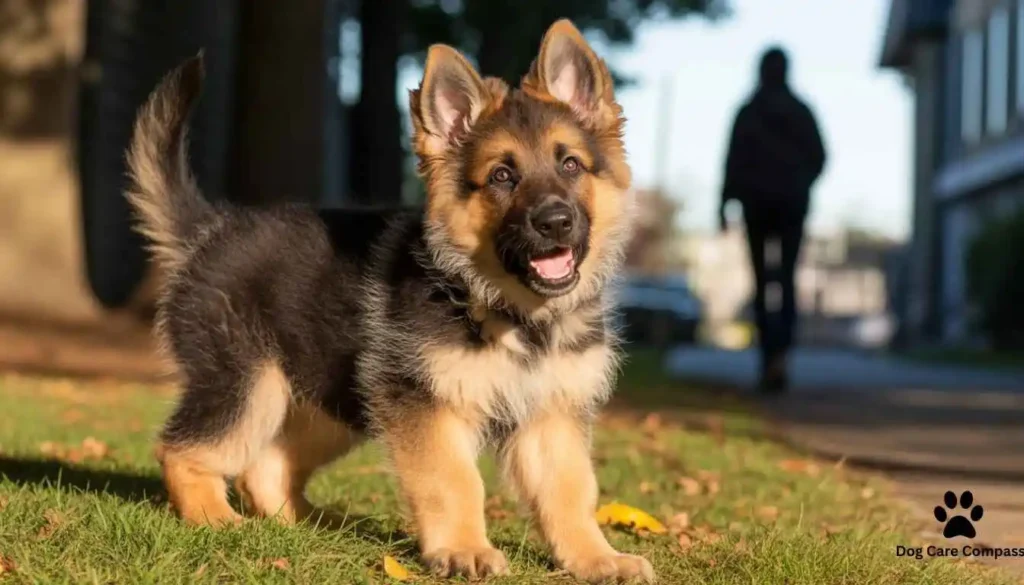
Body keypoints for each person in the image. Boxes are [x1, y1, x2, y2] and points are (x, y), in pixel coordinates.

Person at [719, 46, 827, 393]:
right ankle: (778, 355)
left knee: (766, 282)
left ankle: (771, 356)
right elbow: (819, 156)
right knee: (785, 282)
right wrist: (800, 184)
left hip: (761, 205)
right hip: (787, 205)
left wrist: (724, 204)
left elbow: (732, 163)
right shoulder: (799, 111)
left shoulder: (750, 112)